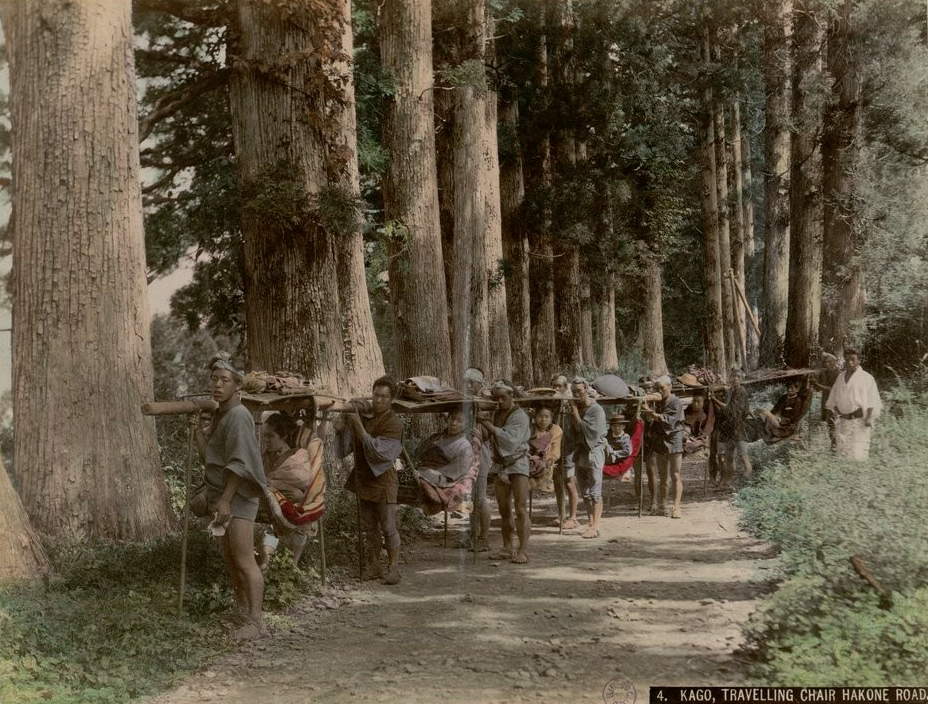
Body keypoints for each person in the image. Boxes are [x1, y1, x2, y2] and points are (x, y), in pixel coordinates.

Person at [192, 354, 267, 639]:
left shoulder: (238, 415)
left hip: (236, 496)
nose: (217, 385)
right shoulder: (222, 414)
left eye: (224, 380)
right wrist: (198, 432)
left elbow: (239, 463)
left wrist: (225, 500)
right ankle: (242, 611)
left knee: (245, 558)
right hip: (220, 494)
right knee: (231, 559)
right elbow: (209, 457)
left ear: (237, 385)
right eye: (214, 379)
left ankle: (257, 621)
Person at [336, 376, 405, 585]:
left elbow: (379, 453)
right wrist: (342, 427)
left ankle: (393, 567)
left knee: (388, 526)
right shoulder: (365, 417)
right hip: (364, 478)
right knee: (368, 526)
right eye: (376, 395)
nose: (379, 400)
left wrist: (358, 426)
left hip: (384, 480)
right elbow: (345, 449)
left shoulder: (394, 423)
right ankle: (374, 564)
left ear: (391, 399)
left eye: (384, 397)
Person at [257, 412, 327, 572]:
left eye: (271, 436)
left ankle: (292, 564)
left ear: (284, 436)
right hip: (269, 504)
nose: (266, 440)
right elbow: (261, 479)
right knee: (273, 520)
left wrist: (278, 485)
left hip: (294, 505)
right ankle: (266, 562)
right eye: (265, 436)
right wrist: (279, 487)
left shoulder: (299, 455)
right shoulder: (266, 457)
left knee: (302, 516)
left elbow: (303, 479)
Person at [479, 380, 532, 563]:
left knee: (520, 508)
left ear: (512, 396)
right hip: (501, 464)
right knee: (504, 509)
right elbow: (490, 437)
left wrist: (487, 425)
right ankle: (507, 547)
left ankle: (523, 550)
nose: (500, 401)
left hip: (518, 462)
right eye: (497, 398)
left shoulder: (520, 416)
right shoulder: (495, 414)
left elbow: (510, 440)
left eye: (503, 397)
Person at [825, 348, 882, 461]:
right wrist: (835, 413)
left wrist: (869, 418)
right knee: (842, 453)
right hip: (842, 421)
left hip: (859, 421)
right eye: (847, 360)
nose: (850, 362)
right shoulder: (841, 377)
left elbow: (872, 399)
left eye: (853, 359)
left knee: (857, 454)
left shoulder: (867, 378)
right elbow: (834, 397)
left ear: (859, 360)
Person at [569, 376, 608, 538]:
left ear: (586, 390)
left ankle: (596, 525)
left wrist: (575, 411)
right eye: (573, 391)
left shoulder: (596, 410)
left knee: (595, 492)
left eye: (579, 391)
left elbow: (582, 429)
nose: (576, 394)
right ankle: (590, 522)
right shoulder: (576, 408)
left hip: (594, 453)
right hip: (580, 454)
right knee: (584, 492)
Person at [644, 375, 685, 518]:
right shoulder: (658, 402)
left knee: (675, 474)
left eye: (662, 388)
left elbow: (668, 420)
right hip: (661, 440)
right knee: (663, 476)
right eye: (658, 388)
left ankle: (677, 507)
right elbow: (651, 420)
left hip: (674, 439)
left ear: (670, 387)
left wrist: (652, 413)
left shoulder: (675, 402)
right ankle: (663, 505)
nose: (660, 391)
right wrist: (649, 409)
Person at [462, 367, 492, 552]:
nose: (468, 386)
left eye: (472, 382)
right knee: (470, 497)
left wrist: (480, 433)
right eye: (467, 382)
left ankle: (484, 538)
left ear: (480, 384)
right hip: (466, 451)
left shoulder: (487, 401)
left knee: (480, 498)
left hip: (482, 452)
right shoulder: (467, 400)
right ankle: (473, 536)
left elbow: (490, 432)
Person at [711, 367, 752, 488]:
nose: (735, 379)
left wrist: (714, 399)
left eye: (738, 377)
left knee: (743, 456)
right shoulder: (730, 391)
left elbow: (730, 409)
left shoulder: (741, 392)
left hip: (738, 427)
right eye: (733, 376)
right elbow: (724, 390)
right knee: (728, 457)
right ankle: (728, 481)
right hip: (728, 428)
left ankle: (747, 484)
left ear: (741, 379)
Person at [415, 407, 474, 489]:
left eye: (459, 421)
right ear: (448, 419)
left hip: (441, 477)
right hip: (422, 469)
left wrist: (435, 472)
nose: (453, 423)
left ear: (466, 424)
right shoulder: (436, 437)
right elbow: (419, 453)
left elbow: (458, 469)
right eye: (452, 418)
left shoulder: (464, 445)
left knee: (422, 476)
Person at [549, 374, 580, 530]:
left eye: (559, 386)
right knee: (557, 482)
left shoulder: (570, 404)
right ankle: (561, 514)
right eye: (554, 386)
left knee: (569, 482)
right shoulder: (551, 405)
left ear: (565, 387)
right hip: (555, 448)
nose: (556, 389)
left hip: (568, 448)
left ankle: (573, 517)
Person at [528, 405, 562, 491]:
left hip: (544, 466)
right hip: (527, 461)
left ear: (551, 419)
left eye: (547, 417)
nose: (543, 420)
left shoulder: (554, 431)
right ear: (535, 417)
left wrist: (542, 458)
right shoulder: (530, 430)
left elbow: (555, 453)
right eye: (540, 416)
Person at [811, 352, 840, 451]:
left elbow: (831, 389)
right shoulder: (824, 372)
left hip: (836, 401)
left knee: (835, 422)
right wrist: (813, 380)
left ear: (834, 363)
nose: (826, 364)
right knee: (829, 423)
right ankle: (833, 445)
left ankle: (837, 445)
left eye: (829, 362)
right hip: (826, 399)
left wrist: (817, 384)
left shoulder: (838, 373)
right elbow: (817, 386)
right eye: (825, 362)